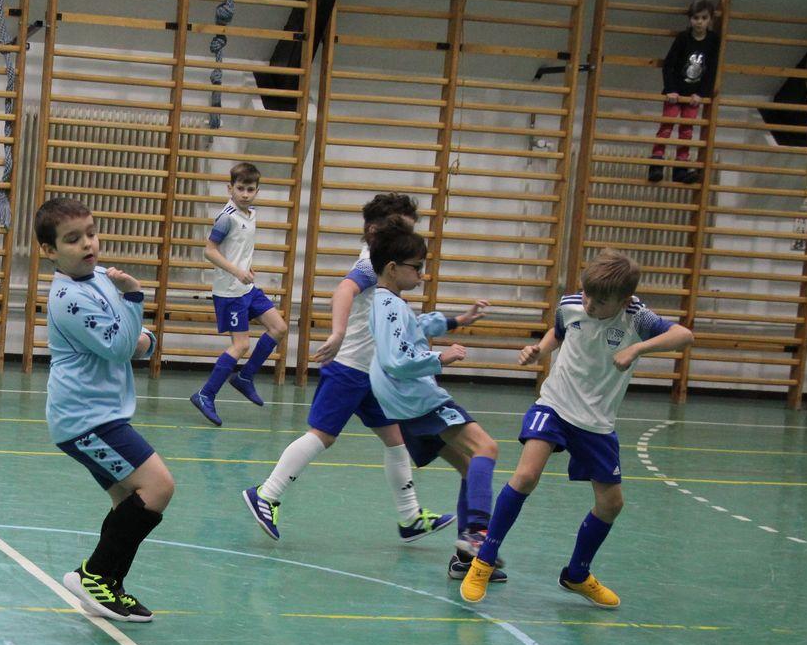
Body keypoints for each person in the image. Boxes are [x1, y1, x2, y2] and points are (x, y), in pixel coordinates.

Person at [460, 250, 694, 607]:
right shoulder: (570, 305)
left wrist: (638, 350)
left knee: (611, 503)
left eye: (599, 302)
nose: (588, 304)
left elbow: (684, 335)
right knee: (525, 476)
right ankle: (484, 561)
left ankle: (577, 574)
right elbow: (558, 332)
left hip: (597, 422)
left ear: (624, 300)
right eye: (586, 295)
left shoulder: (637, 317)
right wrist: (539, 350)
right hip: (555, 405)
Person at [241, 194, 453, 544]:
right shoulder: (371, 263)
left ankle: (410, 517)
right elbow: (343, 290)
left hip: (374, 373)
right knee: (322, 436)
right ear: (374, 231)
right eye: (399, 230)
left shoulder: (385, 261)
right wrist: (337, 333)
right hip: (351, 368)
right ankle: (266, 493)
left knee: (396, 440)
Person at [38, 196, 172, 623]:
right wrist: (134, 298)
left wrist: (138, 334)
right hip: (85, 419)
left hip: (102, 414)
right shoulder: (68, 298)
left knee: (127, 503)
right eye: (72, 239)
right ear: (50, 251)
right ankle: (93, 575)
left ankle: (108, 584)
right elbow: (120, 345)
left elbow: (135, 340)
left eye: (91, 234)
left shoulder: (98, 279)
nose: (87, 244)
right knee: (158, 487)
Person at [365, 216, 503, 583]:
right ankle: (478, 533)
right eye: (416, 268)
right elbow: (396, 359)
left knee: (469, 466)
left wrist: (459, 319)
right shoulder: (389, 306)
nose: (421, 275)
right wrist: (440, 358)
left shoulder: (388, 302)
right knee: (487, 449)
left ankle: (465, 559)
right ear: (392, 268)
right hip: (417, 399)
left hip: (402, 406)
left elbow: (417, 326)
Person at [190, 162, 288, 425]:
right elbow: (210, 251)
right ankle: (205, 394)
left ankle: (245, 377)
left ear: (257, 190)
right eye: (240, 188)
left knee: (279, 327)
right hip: (230, 292)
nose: (245, 194)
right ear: (230, 188)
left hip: (247, 288)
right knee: (241, 345)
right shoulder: (227, 217)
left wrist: (246, 266)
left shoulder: (251, 213)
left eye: (250, 189)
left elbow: (238, 248)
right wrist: (236, 270)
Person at [649, 0, 719, 185]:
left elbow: (711, 70)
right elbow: (669, 65)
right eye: (695, 18)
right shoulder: (683, 38)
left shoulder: (713, 40)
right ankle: (656, 164)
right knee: (666, 126)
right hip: (676, 93)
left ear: (710, 20)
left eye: (704, 18)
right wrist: (671, 89)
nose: (699, 22)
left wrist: (701, 93)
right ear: (690, 19)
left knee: (687, 131)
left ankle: (681, 168)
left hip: (693, 95)